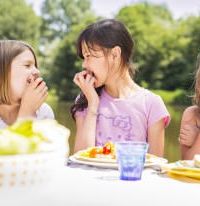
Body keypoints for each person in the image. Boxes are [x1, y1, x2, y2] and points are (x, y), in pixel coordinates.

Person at [71, 19, 170, 157]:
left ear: (115, 54)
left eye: (89, 56)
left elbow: (155, 166)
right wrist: (93, 103)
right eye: (84, 57)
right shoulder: (85, 100)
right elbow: (80, 157)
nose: (84, 65)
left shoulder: (151, 104)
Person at [0, 40, 54, 129]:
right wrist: (27, 114)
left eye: (35, 66)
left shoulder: (43, 111)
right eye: (27, 65)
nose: (37, 71)